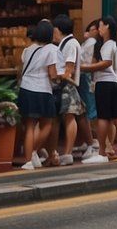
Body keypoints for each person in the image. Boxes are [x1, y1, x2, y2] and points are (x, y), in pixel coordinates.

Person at [83, 16, 117, 164]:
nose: (98, 29)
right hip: (114, 82)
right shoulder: (115, 45)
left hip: (106, 82)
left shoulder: (109, 45)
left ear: (107, 27)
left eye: (100, 26)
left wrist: (83, 67)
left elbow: (106, 63)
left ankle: (102, 152)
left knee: (103, 117)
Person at [17, 20, 59, 170]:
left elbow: (21, 69)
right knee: (47, 123)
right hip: (42, 89)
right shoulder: (51, 50)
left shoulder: (27, 50)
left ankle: (28, 161)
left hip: (26, 89)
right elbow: (52, 74)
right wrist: (61, 77)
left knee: (29, 126)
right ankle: (34, 150)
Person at [51, 14, 85, 166]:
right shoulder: (66, 43)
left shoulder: (70, 44)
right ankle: (63, 152)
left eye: (54, 29)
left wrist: (57, 75)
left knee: (69, 117)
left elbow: (68, 69)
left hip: (67, 85)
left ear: (59, 29)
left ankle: (68, 153)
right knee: (65, 118)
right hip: (64, 85)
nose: (53, 32)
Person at [76, 19, 99, 160]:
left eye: (91, 29)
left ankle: (92, 141)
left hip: (86, 77)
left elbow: (89, 62)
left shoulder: (92, 43)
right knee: (88, 108)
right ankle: (89, 140)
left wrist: (80, 67)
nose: (88, 32)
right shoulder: (88, 43)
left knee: (89, 109)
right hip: (86, 77)